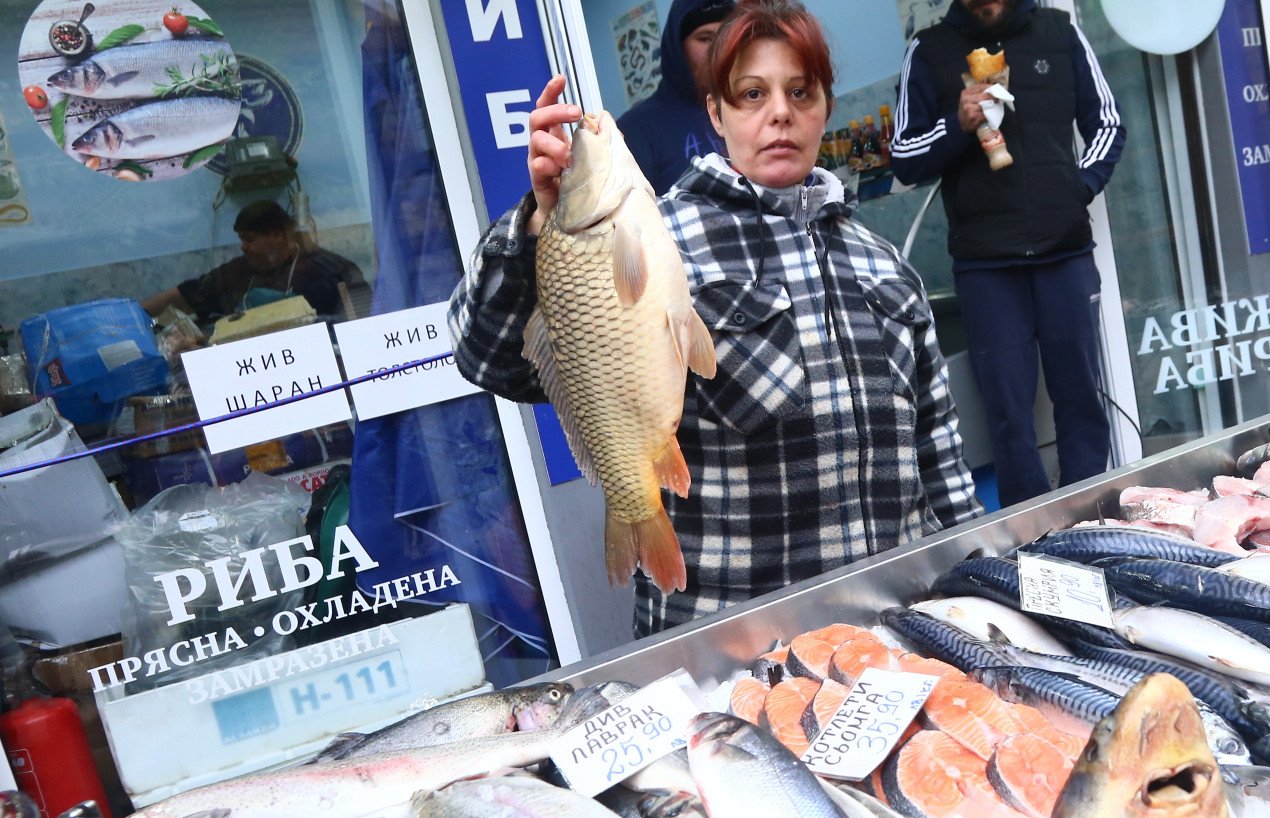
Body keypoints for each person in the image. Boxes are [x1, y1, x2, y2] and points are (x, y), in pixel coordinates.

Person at [450, 0, 983, 637]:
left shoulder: (884, 265)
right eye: (751, 94)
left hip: (892, 640)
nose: (779, 113)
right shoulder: (651, 242)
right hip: (737, 652)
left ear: (825, 107)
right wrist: (538, 226)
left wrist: (974, 591)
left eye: (800, 92)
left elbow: (942, 466)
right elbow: (487, 357)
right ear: (716, 113)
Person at [889, 0, 1123, 506]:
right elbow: (903, 156)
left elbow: (1107, 122)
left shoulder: (1058, 31)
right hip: (986, 265)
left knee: (1081, 396)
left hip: (1064, 252)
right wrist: (957, 122)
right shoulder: (928, 51)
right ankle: (1030, 531)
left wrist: (1076, 187)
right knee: (1009, 415)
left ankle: (1092, 515)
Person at [142, 199, 367, 323]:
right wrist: (135, 314)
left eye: (250, 239)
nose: (243, 247)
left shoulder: (329, 271)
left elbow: (364, 317)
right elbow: (185, 296)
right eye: (241, 239)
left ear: (277, 235)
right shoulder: (236, 273)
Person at [618, 0, 732, 193]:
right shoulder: (636, 129)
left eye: (726, 39)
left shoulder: (750, 110)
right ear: (678, 47)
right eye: (705, 39)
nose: (717, 50)